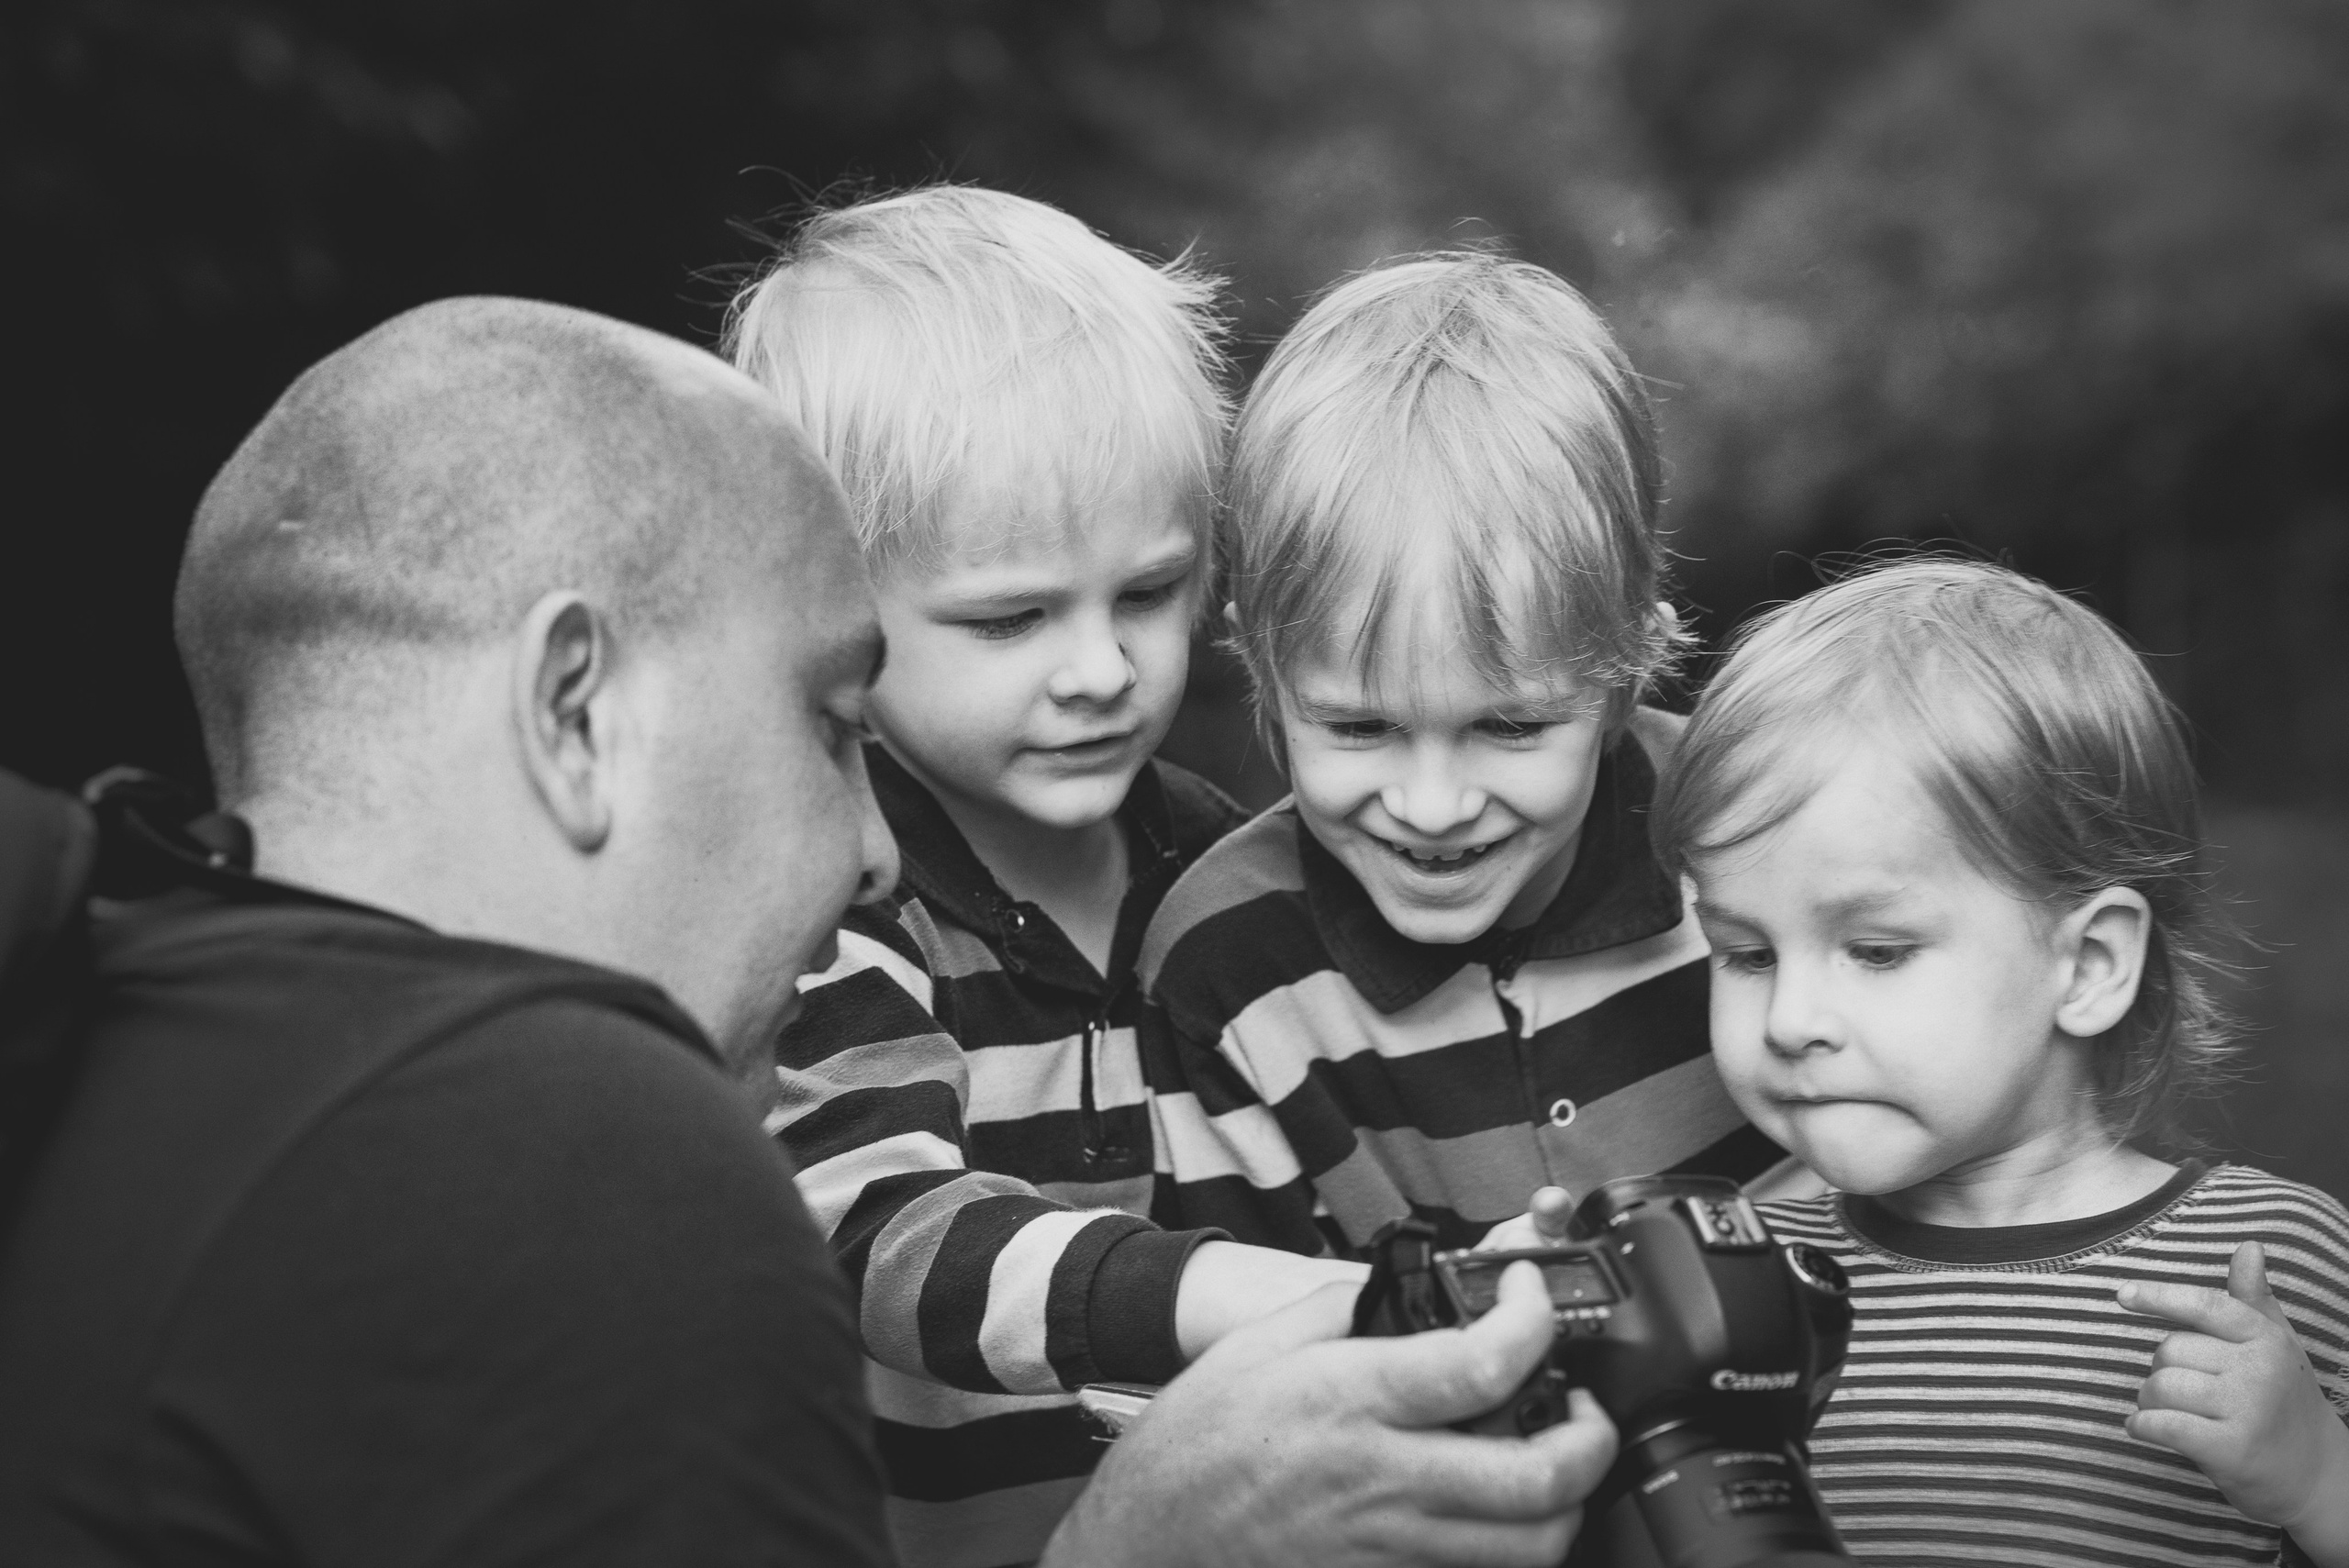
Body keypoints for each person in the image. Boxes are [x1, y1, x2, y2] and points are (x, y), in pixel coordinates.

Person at [0, 295, 1618, 1568]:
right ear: (574, 707)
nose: (866, 852)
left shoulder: (106, 1048)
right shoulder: (568, 1148)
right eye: (834, 719)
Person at [727, 186, 1364, 1566]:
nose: (1099, 670)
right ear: (826, 608)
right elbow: (890, 1244)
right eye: (1011, 617)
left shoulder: (1229, 867)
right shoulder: (838, 902)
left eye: (1146, 592)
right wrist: (1267, 1299)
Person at [1649, 557, 2349, 1565]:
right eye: (1747, 952)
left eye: (1877, 949)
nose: (1790, 1017)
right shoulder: (1735, 1275)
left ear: (2088, 964)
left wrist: (2319, 1472)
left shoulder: (2270, 1262)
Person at [1140, 251, 1787, 1262]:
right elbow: (1255, 1359)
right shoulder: (1226, 972)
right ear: (1266, 680)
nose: (1433, 807)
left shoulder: (1752, 837)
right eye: (1360, 728)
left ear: (1621, 681)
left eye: (1508, 727)